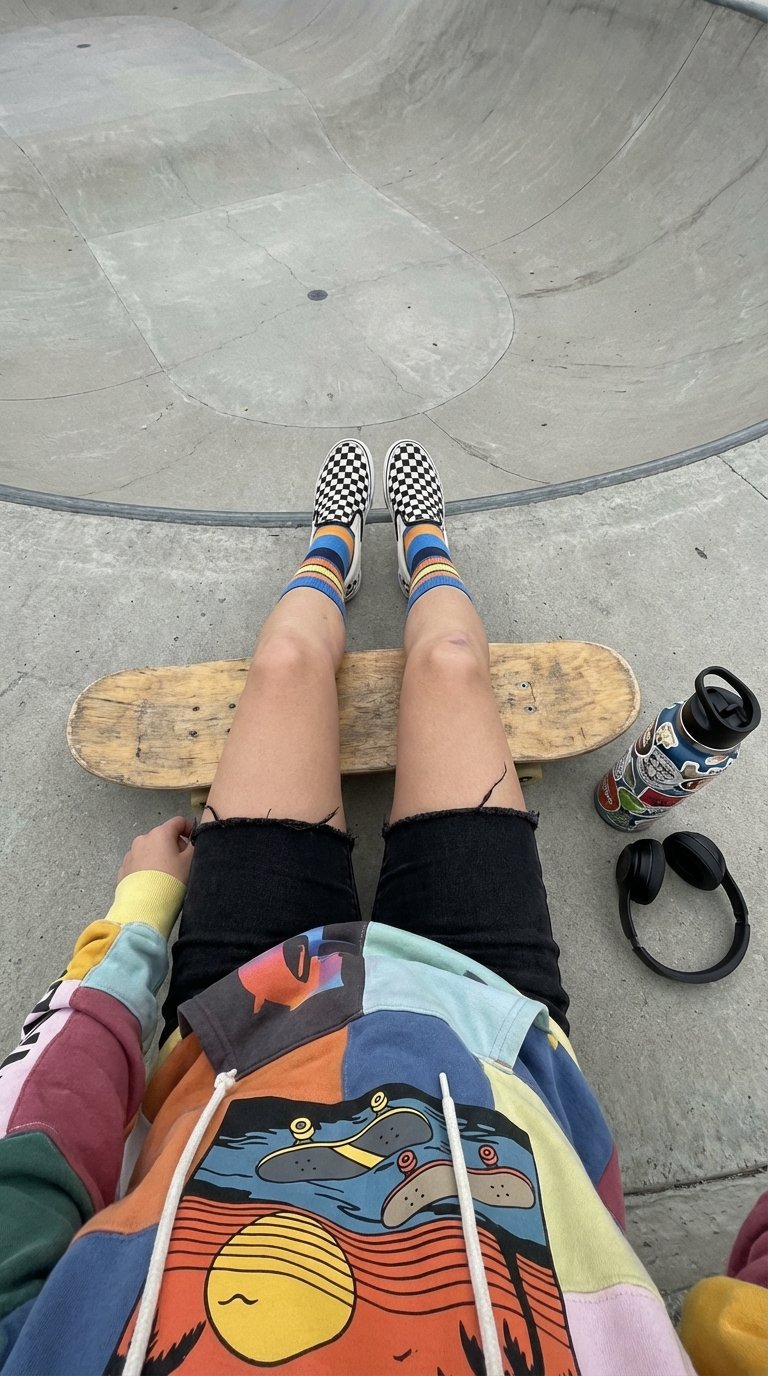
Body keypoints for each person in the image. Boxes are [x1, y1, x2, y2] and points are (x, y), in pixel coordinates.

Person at [0, 438, 739, 1376]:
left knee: (285, 664)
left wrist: (141, 914)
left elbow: (32, 1150)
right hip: (489, 1026)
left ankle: (331, 551)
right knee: (453, 664)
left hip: (244, 1019)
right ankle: (427, 549)